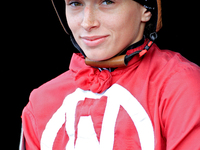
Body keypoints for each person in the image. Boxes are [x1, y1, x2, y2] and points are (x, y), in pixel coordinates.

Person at [20, 0, 200, 149]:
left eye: (107, 2)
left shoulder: (180, 87)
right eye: (75, 3)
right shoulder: (40, 102)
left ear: (146, 9)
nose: (87, 22)